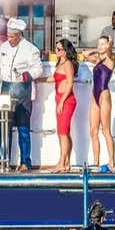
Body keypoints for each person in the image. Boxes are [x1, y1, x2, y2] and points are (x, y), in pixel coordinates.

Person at [0, 17, 43, 172]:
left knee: (23, 128)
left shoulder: (30, 49)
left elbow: (38, 69)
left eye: (11, 36)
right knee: (4, 126)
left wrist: (26, 75)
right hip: (6, 88)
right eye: (8, 35)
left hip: (23, 89)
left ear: (19, 35)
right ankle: (3, 160)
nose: (9, 39)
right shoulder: (4, 46)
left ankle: (25, 162)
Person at [36, 39, 78, 173]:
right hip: (59, 99)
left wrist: (62, 102)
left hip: (66, 100)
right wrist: (38, 80)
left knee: (63, 132)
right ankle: (65, 163)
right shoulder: (60, 63)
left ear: (65, 51)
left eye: (59, 49)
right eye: (56, 48)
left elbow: (70, 83)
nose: (57, 51)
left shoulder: (68, 64)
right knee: (63, 133)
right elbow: (55, 78)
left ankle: (62, 162)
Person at [82, 36, 115, 173]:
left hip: (104, 95)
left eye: (103, 44)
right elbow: (84, 54)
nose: (101, 46)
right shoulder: (97, 60)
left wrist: (108, 44)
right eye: (99, 44)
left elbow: (110, 51)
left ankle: (111, 163)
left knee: (106, 130)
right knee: (93, 131)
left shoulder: (110, 59)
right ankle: (96, 162)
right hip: (94, 95)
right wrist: (97, 49)